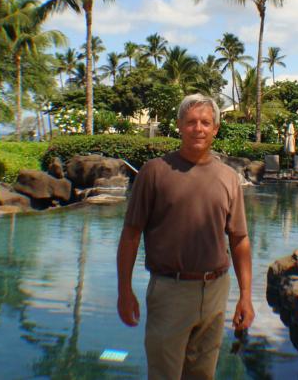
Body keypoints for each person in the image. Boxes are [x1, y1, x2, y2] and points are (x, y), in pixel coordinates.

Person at [116, 93, 254, 380]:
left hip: (216, 290)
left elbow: (239, 239)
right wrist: (124, 290)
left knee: (203, 374)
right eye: (191, 122)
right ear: (179, 125)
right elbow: (130, 235)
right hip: (170, 291)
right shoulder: (154, 172)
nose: (198, 128)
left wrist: (246, 296)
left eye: (205, 122)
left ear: (216, 128)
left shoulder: (229, 178)